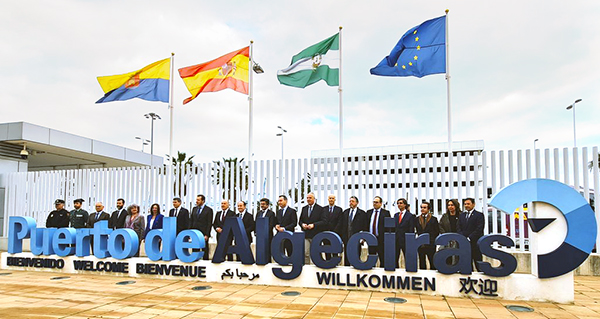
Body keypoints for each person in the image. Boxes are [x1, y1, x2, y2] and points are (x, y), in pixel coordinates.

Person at [457, 197, 484, 271]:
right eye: (465, 204)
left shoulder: (479, 215)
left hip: (475, 242)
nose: (466, 205)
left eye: (468, 204)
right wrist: (462, 237)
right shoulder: (462, 215)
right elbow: (458, 227)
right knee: (467, 263)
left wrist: (470, 237)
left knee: (477, 261)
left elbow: (479, 229)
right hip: (464, 243)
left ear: (473, 204)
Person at [339, 196, 367, 266]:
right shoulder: (345, 212)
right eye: (350, 201)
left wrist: (363, 238)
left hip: (357, 239)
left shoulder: (362, 213)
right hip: (346, 238)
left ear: (357, 203)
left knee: (356, 256)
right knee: (347, 256)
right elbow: (342, 225)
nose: (351, 203)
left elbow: (365, 226)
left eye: (353, 201)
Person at [298, 192, 325, 264]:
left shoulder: (320, 209)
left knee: (316, 253)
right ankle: (306, 267)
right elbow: (300, 221)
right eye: (307, 198)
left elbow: (323, 221)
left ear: (314, 199)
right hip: (306, 235)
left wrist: (314, 225)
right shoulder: (304, 208)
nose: (308, 199)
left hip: (316, 235)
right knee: (306, 253)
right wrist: (302, 224)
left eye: (310, 198)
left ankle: (316, 267)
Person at [366, 196, 390, 266]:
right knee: (371, 257)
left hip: (380, 239)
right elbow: (366, 224)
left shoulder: (385, 213)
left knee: (382, 257)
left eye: (376, 202)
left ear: (380, 203)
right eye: (374, 202)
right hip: (371, 238)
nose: (374, 204)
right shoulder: (369, 212)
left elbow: (388, 227)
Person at [415, 202, 439, 270]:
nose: (422, 209)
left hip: (430, 243)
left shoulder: (433, 219)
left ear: (428, 209)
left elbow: (436, 231)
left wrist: (432, 240)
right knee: (421, 262)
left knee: (432, 261)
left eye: (424, 207)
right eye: (421, 207)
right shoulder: (417, 219)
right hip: (420, 244)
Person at [190, 194, 213, 260]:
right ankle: (194, 260)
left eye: (198, 200)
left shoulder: (208, 210)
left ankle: (205, 261)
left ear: (203, 201)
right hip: (195, 232)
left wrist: (207, 234)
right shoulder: (194, 209)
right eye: (196, 200)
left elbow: (209, 223)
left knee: (204, 248)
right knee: (194, 247)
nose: (196, 201)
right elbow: (191, 221)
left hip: (203, 233)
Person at [439, 199, 461, 266]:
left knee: (456, 256)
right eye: (449, 205)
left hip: (458, 239)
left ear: (456, 206)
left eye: (452, 205)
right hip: (447, 238)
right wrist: (445, 235)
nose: (450, 207)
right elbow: (440, 226)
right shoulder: (445, 216)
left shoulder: (461, 215)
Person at [394, 198, 414, 268]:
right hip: (397, 240)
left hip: (405, 240)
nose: (399, 205)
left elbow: (411, 229)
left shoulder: (410, 216)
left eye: (401, 203)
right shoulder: (396, 215)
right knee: (395, 257)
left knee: (407, 257)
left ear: (405, 205)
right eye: (398, 203)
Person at [323, 194, 344, 260]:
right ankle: (328, 262)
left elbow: (340, 222)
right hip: (326, 233)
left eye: (332, 198)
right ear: (328, 199)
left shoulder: (339, 209)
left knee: (335, 249)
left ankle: (335, 263)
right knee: (327, 249)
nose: (331, 200)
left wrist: (335, 231)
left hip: (335, 233)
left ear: (335, 200)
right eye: (330, 198)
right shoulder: (324, 209)